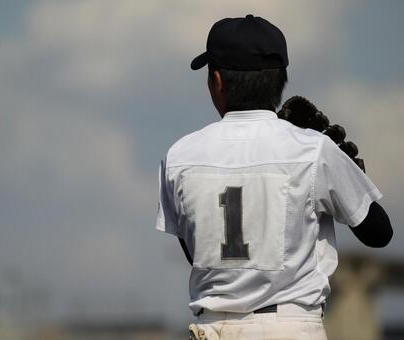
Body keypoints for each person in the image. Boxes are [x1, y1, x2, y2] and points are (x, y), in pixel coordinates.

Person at [155, 14, 393, 340]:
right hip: (291, 327)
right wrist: (349, 171)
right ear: (281, 80)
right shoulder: (313, 149)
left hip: (213, 327)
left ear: (218, 82)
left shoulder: (179, 157)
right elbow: (379, 233)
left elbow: (195, 252)